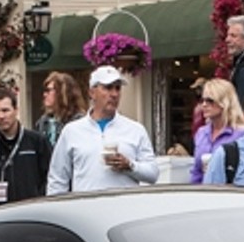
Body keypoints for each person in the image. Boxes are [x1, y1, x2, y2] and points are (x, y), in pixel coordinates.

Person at [47, 65, 160, 194]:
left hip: (125, 209)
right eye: (108, 88)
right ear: (92, 93)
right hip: (86, 210)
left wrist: (130, 166)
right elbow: (57, 179)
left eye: (118, 88)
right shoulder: (72, 131)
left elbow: (153, 174)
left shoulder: (135, 130)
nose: (114, 94)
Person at [0, 86, 52, 207]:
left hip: (34, 213)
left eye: (5, 110)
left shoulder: (37, 142)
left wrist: (39, 201)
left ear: (16, 110)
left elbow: (50, 177)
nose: (1, 116)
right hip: (1, 217)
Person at [189, 78, 244, 184]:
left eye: (210, 100)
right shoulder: (201, 133)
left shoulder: (242, 134)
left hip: (232, 193)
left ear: (224, 102)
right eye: (202, 100)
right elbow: (196, 171)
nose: (204, 105)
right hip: (204, 193)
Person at [34, 71, 87, 147]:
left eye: (49, 90)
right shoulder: (42, 123)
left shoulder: (79, 122)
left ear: (62, 92)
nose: (44, 94)